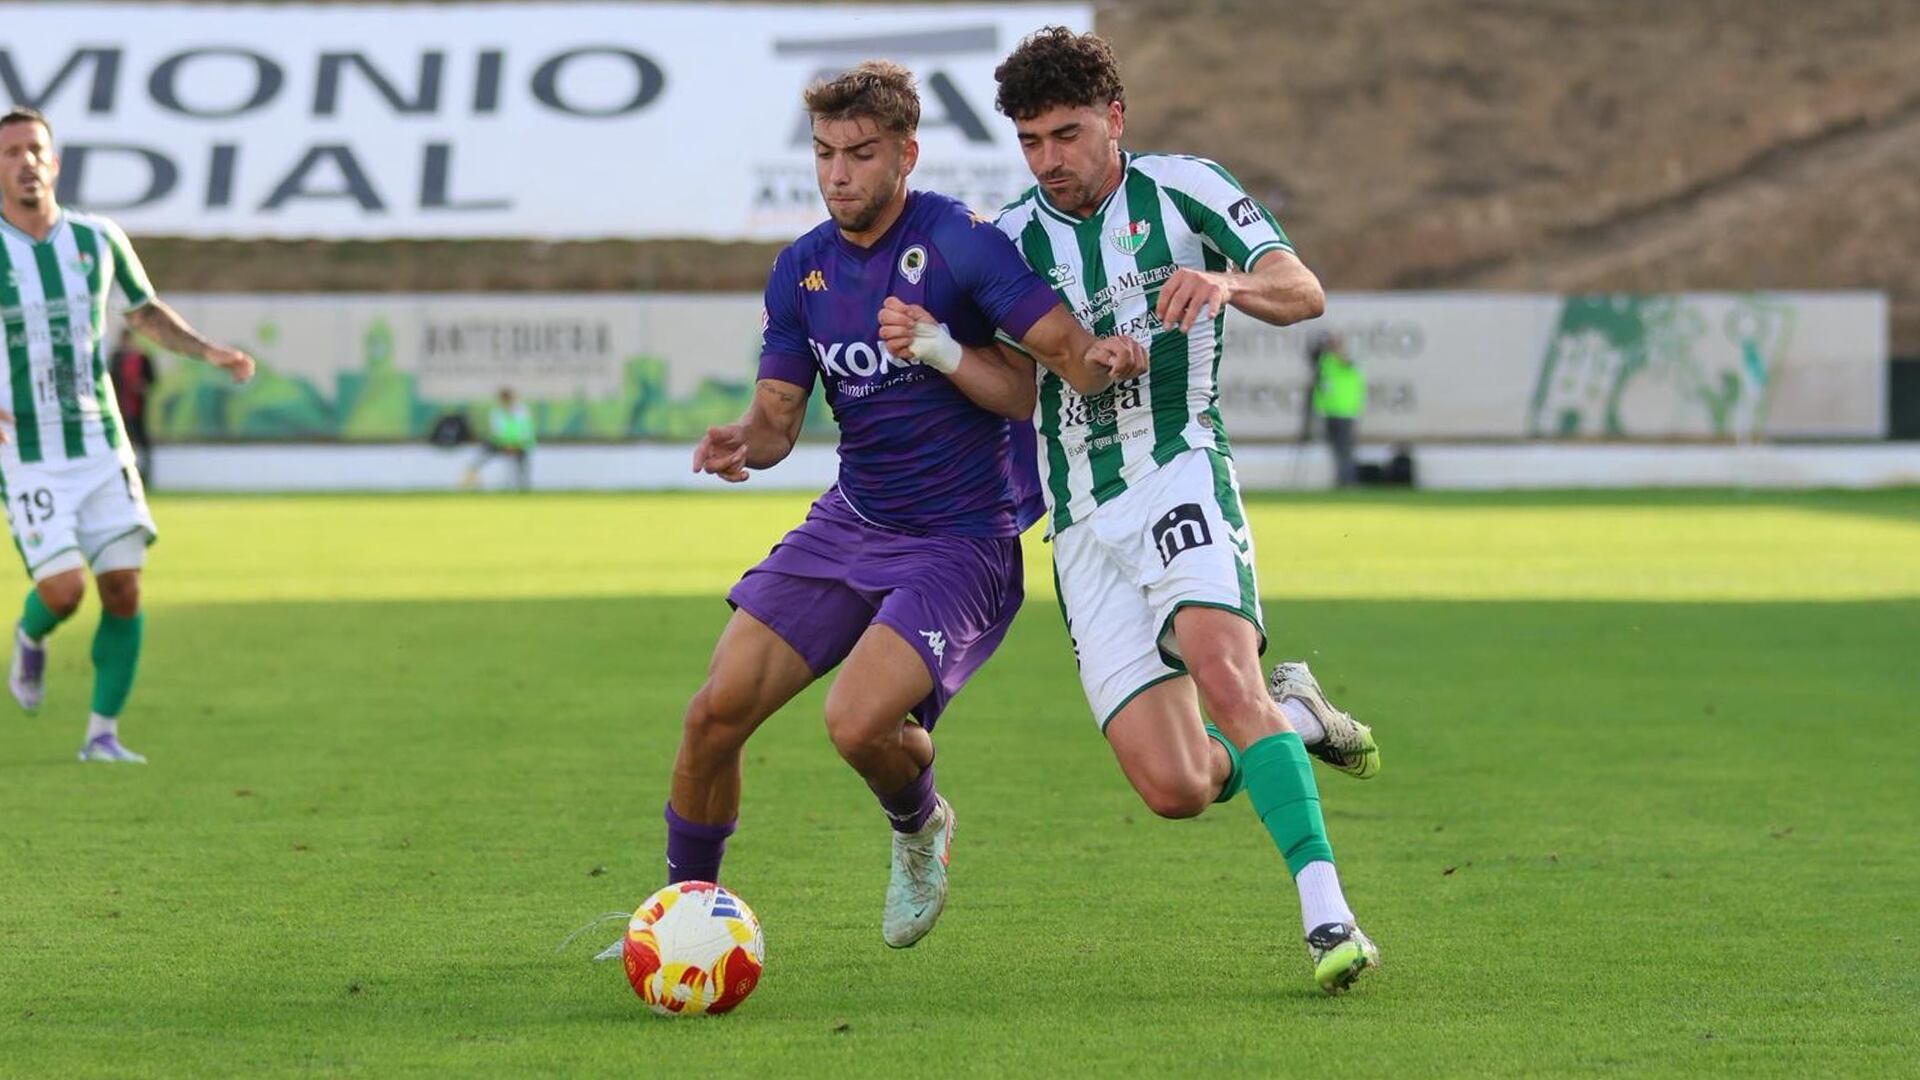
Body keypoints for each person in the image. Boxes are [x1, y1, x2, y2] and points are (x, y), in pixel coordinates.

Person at [906, 28, 1383, 993]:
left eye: (1067, 135)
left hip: (1179, 471)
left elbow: (1303, 291)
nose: (1049, 159)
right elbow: (1015, 389)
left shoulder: (1185, 188)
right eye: (1031, 141)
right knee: (1176, 787)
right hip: (1081, 519)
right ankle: (1296, 716)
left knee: (1221, 669)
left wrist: (1227, 280)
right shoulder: (1008, 242)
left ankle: (1329, 917)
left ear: (1115, 119)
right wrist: (944, 350)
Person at [640, 61, 1146, 954]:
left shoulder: (961, 244)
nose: (838, 175)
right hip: (852, 522)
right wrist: (742, 439)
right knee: (713, 715)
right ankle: (684, 916)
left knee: (858, 723)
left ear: (905, 155)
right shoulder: (801, 270)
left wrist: (948, 348)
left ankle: (920, 825)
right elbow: (779, 422)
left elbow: (1041, 382)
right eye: (824, 154)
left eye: (861, 154)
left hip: (963, 541)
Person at [0, 107, 254, 762]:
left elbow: (143, 310)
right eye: (11, 152)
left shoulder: (98, 238)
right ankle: (31, 635)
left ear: (55, 163)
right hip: (26, 450)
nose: (26, 162)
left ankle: (102, 736)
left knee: (124, 588)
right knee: (65, 591)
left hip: (100, 440)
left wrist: (208, 351)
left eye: (36, 150)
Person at [1303, 331, 1364, 488]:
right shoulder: (1325, 361)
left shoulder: (1345, 359)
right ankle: (1341, 479)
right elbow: (1320, 380)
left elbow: (1346, 362)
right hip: (1330, 411)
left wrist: (1335, 348)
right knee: (1336, 449)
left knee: (1345, 449)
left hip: (1345, 411)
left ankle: (1348, 481)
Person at [463, 387, 535, 491]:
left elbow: (526, 431)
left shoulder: (522, 411)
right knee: (480, 456)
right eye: (503, 399)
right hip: (501, 444)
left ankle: (523, 487)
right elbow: (497, 432)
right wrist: (505, 445)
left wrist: (517, 445)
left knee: (522, 464)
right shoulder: (497, 413)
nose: (505, 402)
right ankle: (471, 479)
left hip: (520, 445)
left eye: (507, 399)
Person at [110, 329, 158, 484]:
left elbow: (151, 380)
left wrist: (142, 387)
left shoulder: (142, 358)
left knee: (140, 437)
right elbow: (111, 379)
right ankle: (122, 473)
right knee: (122, 438)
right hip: (119, 406)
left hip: (138, 406)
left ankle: (145, 472)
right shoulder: (116, 358)